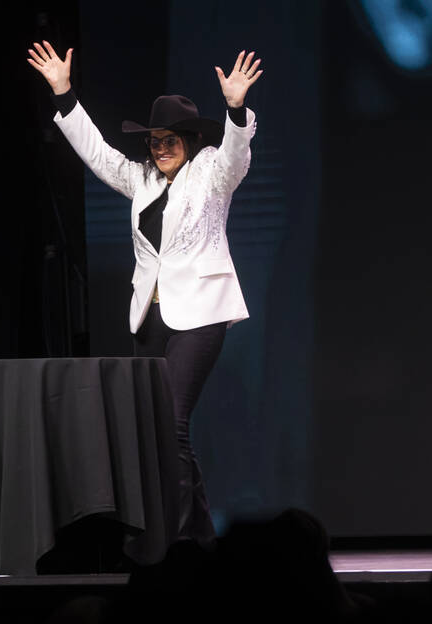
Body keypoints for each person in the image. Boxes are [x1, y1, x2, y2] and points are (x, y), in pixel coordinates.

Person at [27, 41, 261, 544]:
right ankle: (199, 539)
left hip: (199, 314)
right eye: (155, 140)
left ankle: (174, 546)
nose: (161, 146)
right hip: (150, 319)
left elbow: (238, 154)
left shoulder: (213, 175)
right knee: (159, 430)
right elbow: (96, 153)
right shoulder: (144, 182)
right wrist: (64, 94)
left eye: (171, 139)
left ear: (191, 140)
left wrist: (237, 109)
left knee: (170, 424)